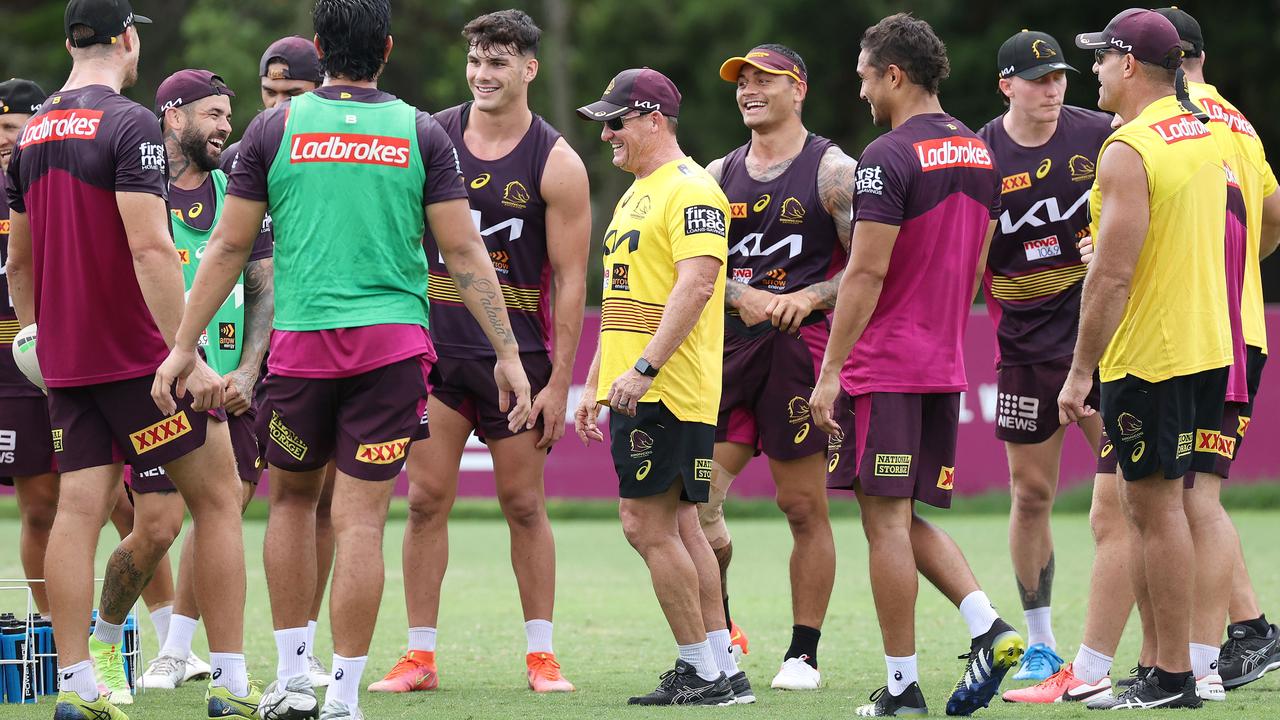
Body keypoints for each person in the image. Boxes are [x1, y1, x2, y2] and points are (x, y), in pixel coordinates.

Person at [152, 1, 533, 718]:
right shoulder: (423, 131)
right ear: (386, 48)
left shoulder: (275, 127)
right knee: (360, 521)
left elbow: (231, 249)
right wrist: (507, 353)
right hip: (392, 352)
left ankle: (294, 678)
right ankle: (345, 697)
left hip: (301, 350)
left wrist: (181, 346)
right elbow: (463, 251)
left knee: (292, 503)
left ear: (319, 47)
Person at [5, 2, 252, 718]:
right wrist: (187, 355)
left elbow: (19, 262)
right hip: (142, 358)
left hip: (67, 359)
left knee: (76, 515)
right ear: (127, 38)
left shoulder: (35, 131)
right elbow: (151, 249)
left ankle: (78, 689)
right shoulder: (131, 121)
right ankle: (232, 687)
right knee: (219, 501)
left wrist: (36, 341)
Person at [808, 13, 1024, 717]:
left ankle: (902, 689)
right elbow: (975, 268)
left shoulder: (885, 156)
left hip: (883, 365)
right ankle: (987, 627)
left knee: (884, 525)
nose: (863, 89)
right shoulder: (981, 151)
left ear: (894, 74)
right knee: (897, 516)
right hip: (941, 363)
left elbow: (865, 274)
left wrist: (831, 370)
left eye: (867, 75)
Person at [370, 9, 589, 695]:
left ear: (528, 67)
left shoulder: (557, 161)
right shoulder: (431, 135)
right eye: (475, 61)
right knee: (426, 500)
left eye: (497, 62)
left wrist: (557, 383)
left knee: (523, 504)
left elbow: (574, 280)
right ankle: (420, 657)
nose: (482, 74)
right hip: (434, 355)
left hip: (517, 365)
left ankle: (542, 656)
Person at [1060, 8, 1233, 710]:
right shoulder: (1199, 130)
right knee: (1164, 508)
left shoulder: (1129, 147)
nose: (1095, 70)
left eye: (1102, 58)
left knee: (1154, 511)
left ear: (1129, 65)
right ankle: (1171, 669)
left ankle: (1169, 677)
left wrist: (1079, 372)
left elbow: (1111, 275)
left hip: (1152, 356)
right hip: (1203, 346)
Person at [573, 67, 746, 706]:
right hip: (642, 385)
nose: (607, 135)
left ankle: (701, 670)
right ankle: (722, 666)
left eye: (616, 122)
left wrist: (643, 370)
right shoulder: (638, 191)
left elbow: (698, 284)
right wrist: (594, 379)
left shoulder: (691, 188)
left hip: (666, 389)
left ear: (654, 119)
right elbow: (624, 299)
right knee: (682, 525)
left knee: (645, 525)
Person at [700, 42, 853, 690]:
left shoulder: (835, 171)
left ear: (800, 89)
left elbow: (870, 271)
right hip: (729, 354)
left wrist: (807, 298)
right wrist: (746, 296)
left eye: (764, 79)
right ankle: (720, 633)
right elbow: (698, 270)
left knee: (800, 507)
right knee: (696, 500)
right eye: (742, 81)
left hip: (800, 357)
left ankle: (803, 653)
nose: (749, 90)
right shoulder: (716, 172)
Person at [126, 72, 273, 712]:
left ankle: (190, 655)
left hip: (229, 391)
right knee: (156, 524)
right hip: (161, 383)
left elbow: (267, 290)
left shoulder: (235, 189)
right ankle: (107, 640)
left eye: (228, 115)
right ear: (174, 115)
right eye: (214, 114)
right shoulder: (139, 189)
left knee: (222, 513)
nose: (225, 128)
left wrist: (247, 372)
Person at [975, 29, 1111, 682]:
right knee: (1031, 495)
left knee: (1142, 493)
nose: (1053, 88)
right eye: (1038, 79)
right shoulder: (981, 156)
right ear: (1007, 86)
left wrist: (1109, 250)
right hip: (1025, 348)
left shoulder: (1101, 133)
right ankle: (1039, 642)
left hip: (1105, 341)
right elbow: (965, 261)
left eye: (1059, 76)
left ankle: (1192, 648)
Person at [220, 34, 337, 689]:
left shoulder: (340, 154)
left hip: (321, 349)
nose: (278, 106)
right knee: (223, 507)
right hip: (247, 361)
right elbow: (233, 264)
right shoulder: (245, 154)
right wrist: (237, 362)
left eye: (292, 94)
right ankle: (188, 647)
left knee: (322, 509)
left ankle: (302, 652)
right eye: (269, 93)